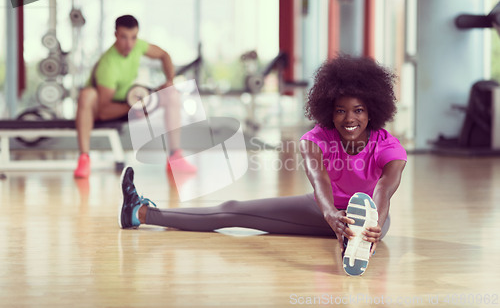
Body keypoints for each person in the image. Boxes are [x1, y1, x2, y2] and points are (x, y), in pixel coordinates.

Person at [118, 54, 407, 276]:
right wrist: (331, 215)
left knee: (368, 222)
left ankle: (357, 238)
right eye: (340, 111)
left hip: (372, 219)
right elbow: (319, 182)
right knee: (232, 210)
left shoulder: (388, 146)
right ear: (329, 112)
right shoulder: (314, 140)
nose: (349, 119)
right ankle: (141, 213)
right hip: (323, 209)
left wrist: (375, 223)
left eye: (358, 110)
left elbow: (384, 188)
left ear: (373, 112)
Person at [74, 15, 197, 178]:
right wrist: (135, 107)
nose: (129, 44)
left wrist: (169, 81)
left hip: (130, 99)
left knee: (171, 94)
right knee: (87, 95)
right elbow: (103, 112)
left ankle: (175, 157)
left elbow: (164, 55)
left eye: (133, 37)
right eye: (124, 37)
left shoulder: (137, 46)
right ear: (116, 35)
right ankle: (84, 159)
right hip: (105, 107)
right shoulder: (108, 65)